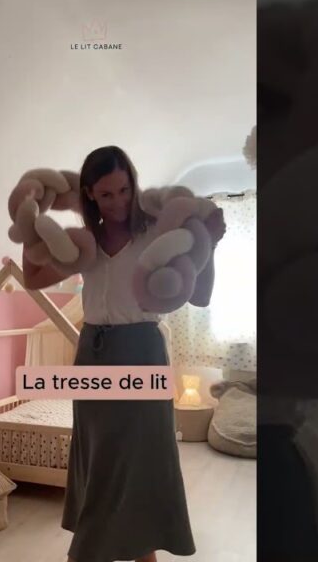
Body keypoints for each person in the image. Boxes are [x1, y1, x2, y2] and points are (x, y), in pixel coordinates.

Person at [21, 145, 225, 562]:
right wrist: (32, 226)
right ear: (90, 194)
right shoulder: (84, 242)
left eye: (124, 190)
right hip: (93, 352)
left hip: (143, 351)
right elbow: (32, 277)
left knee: (142, 458)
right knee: (100, 456)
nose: (118, 202)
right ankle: (110, 548)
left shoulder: (158, 233)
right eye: (106, 194)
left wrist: (209, 245)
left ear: (134, 184)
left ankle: (114, 551)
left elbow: (201, 297)